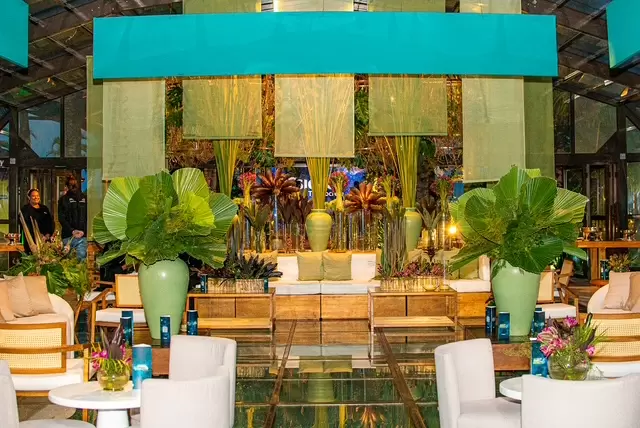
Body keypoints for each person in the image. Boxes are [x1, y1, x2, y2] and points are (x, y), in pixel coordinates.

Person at [58, 174, 87, 261]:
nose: (74, 187)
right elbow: (61, 218)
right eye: (71, 185)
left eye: (75, 185)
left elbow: (88, 217)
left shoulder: (85, 198)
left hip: (81, 235)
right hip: (68, 236)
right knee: (69, 261)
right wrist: (72, 231)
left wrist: (83, 231)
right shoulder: (63, 200)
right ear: (67, 186)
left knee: (79, 260)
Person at [20, 189, 55, 254]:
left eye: (37, 195)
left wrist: (48, 234)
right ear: (29, 197)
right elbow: (26, 226)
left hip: (46, 241)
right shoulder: (25, 210)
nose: (36, 197)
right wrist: (38, 236)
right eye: (33, 196)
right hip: (32, 243)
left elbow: (50, 222)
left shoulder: (44, 208)